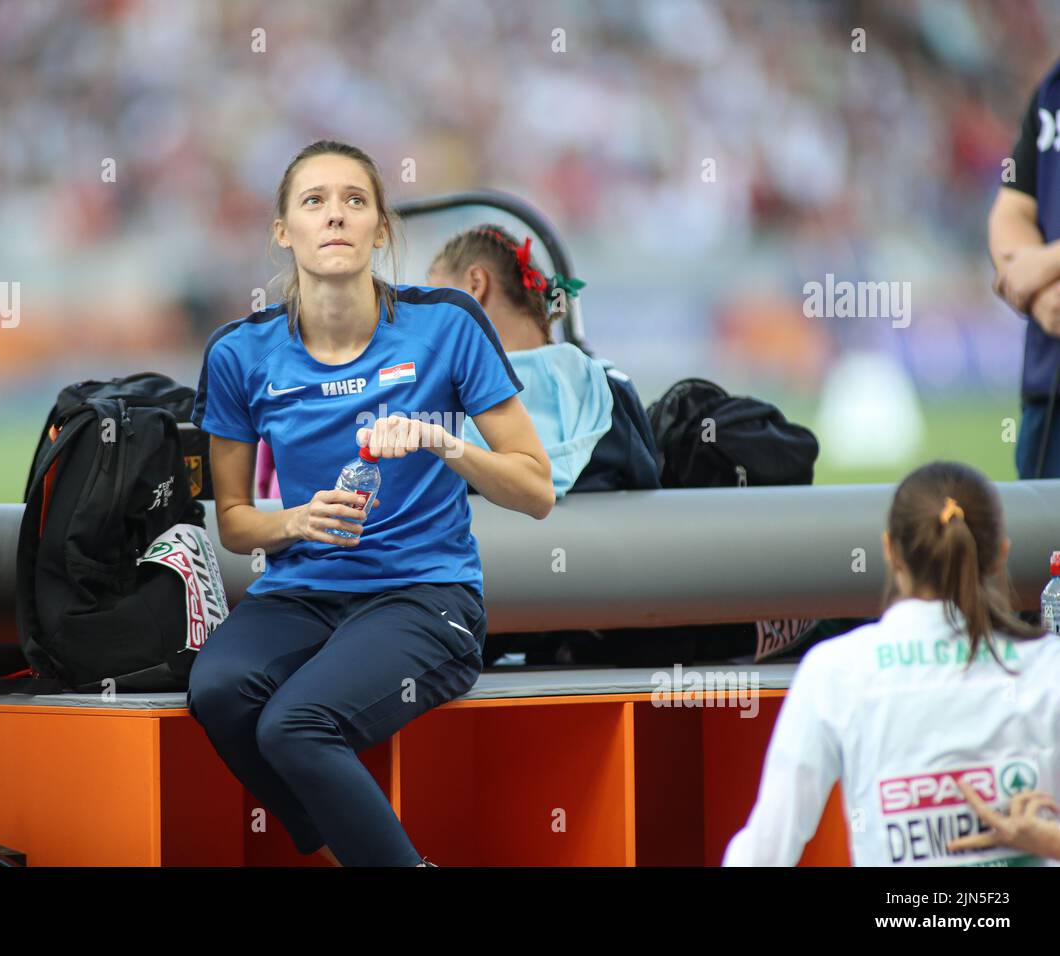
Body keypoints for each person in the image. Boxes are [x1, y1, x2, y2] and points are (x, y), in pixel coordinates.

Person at [187, 139, 554, 867]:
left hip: (425, 597)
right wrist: (294, 521)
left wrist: (443, 442)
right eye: (314, 202)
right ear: (282, 230)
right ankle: (354, 852)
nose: (336, 217)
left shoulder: (446, 323)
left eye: (355, 201)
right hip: (302, 593)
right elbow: (232, 522)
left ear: (381, 229)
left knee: (294, 725)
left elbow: (536, 489)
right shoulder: (239, 353)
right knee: (220, 692)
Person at [723, 460, 1060, 867]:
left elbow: (764, 852)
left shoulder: (836, 670)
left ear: (889, 551)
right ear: (1000, 556)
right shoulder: (1047, 665)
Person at [422, 223, 659, 666]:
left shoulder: (439, 414)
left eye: (438, 298)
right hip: (606, 643)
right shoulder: (609, 392)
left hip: (467, 639)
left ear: (476, 283)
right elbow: (651, 500)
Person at [988, 56, 1060, 479]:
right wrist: (1040, 294)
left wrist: (1046, 263)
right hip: (1048, 395)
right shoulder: (1052, 89)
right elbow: (1011, 210)